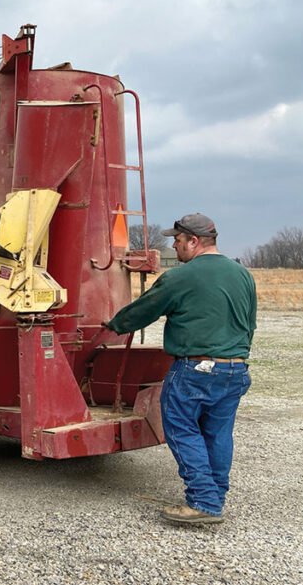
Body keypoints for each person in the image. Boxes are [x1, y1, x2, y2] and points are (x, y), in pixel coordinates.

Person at [104, 213, 256, 525]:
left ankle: (202, 500)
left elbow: (144, 310)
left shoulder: (180, 277)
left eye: (178, 239)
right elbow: (248, 322)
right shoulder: (242, 274)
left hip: (195, 370)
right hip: (236, 369)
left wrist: (114, 324)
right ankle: (214, 497)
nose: (174, 245)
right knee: (218, 433)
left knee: (182, 428)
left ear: (194, 241)